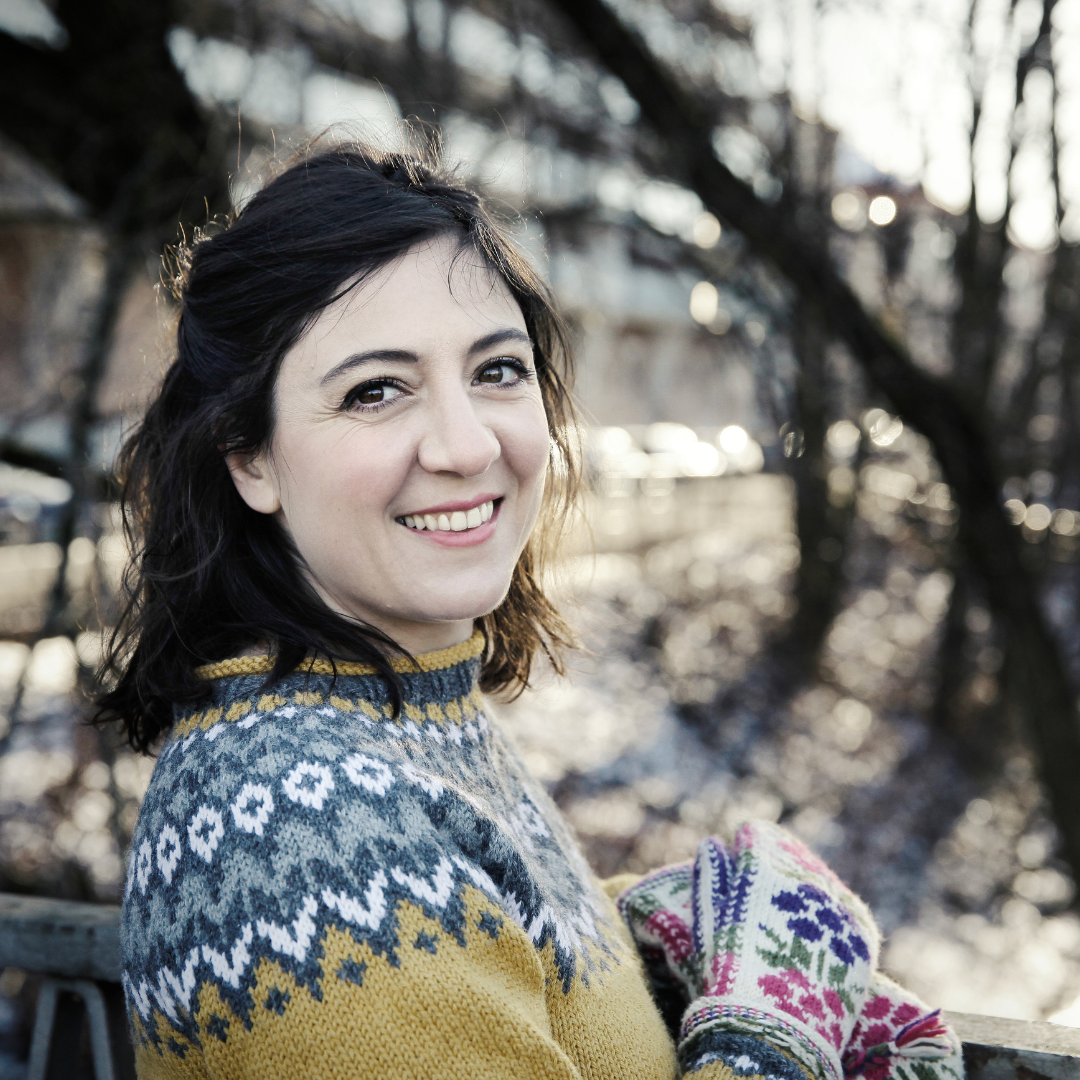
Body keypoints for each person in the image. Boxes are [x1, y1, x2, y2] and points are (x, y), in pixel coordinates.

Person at [102, 143, 961, 1080]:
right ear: (248, 456)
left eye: (497, 371)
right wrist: (766, 1031)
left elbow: (470, 961)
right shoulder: (287, 837)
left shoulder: (394, 720)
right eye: (375, 390)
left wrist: (648, 945)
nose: (467, 445)